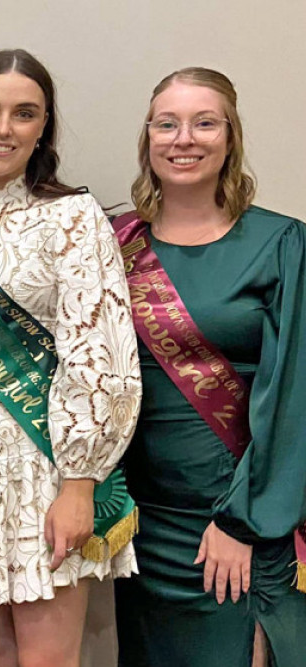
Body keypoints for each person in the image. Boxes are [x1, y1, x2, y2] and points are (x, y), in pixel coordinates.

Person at [0, 49, 142, 667]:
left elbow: (102, 354)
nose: (2, 128)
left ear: (44, 128)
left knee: (46, 659)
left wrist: (79, 482)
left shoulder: (72, 218)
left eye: (23, 113)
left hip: (42, 466)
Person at [112, 67, 306, 667]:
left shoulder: (282, 243)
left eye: (204, 123)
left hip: (238, 521)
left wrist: (244, 523)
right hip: (144, 530)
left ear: (230, 138)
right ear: (148, 138)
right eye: (166, 124)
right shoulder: (117, 244)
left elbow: (296, 395)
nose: (184, 138)